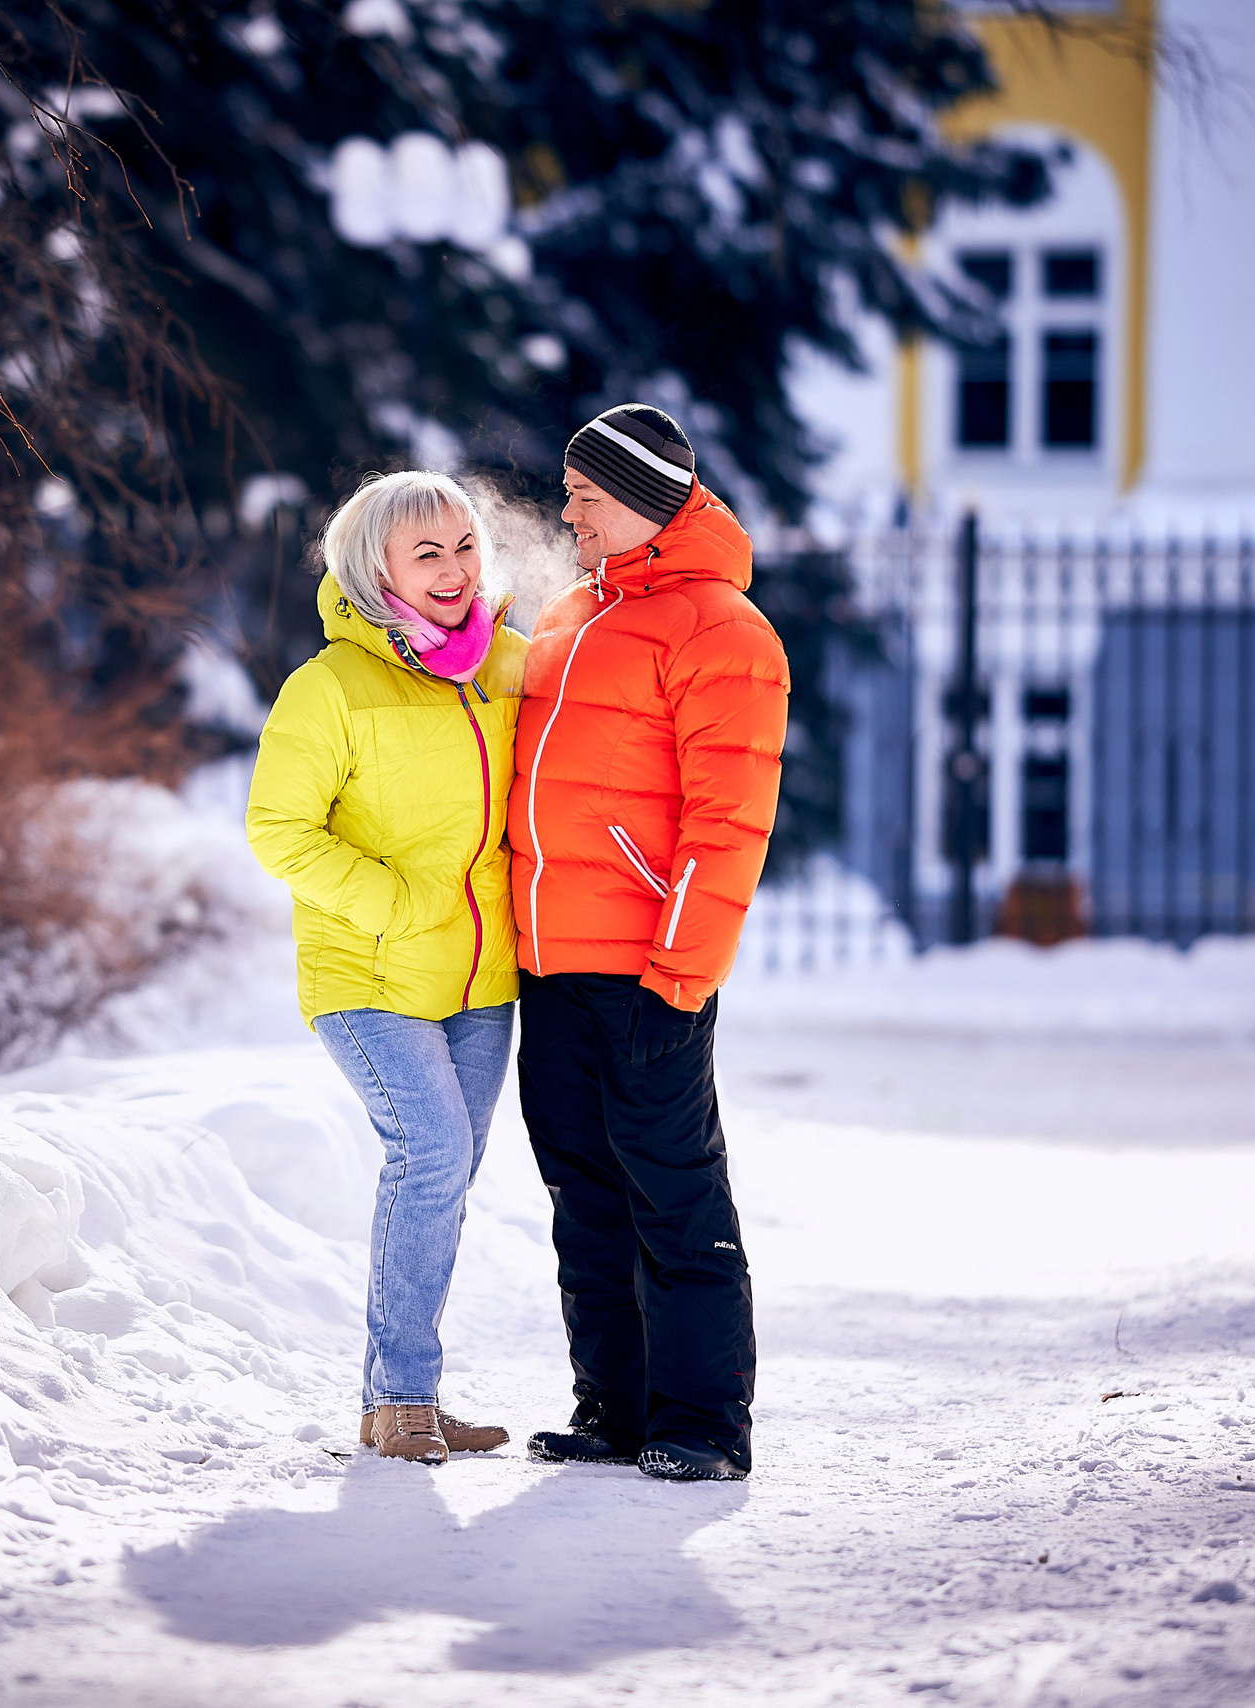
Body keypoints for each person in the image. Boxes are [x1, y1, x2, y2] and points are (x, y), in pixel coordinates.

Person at [508, 404, 788, 1482]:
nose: (568, 513)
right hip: (550, 963)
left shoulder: (723, 632)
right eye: (566, 494)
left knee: (673, 1192)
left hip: (646, 970)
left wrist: (681, 971)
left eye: (585, 495)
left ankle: (705, 1424)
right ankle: (615, 1408)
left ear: (645, 500)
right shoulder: (569, 613)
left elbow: (730, 823)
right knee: (583, 1191)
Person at [247, 470, 528, 1466]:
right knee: (434, 1155)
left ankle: (395, 1399)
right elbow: (278, 830)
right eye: (427, 553)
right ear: (376, 571)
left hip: (481, 983)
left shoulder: (508, 667)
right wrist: (397, 906)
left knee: (441, 1180)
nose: (454, 570)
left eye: (465, 547)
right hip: (366, 975)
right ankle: (403, 1395)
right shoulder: (329, 688)